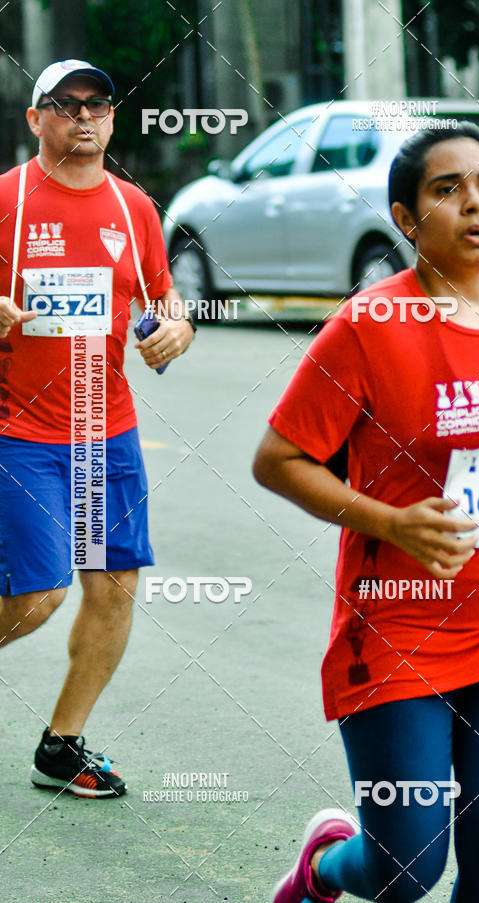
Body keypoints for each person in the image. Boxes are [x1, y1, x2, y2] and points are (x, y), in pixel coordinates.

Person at [253, 121, 479, 902]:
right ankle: (322, 868)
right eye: (448, 190)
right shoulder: (370, 326)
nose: (475, 204)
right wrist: (390, 520)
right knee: (407, 866)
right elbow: (276, 459)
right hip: (398, 624)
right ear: (407, 219)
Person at [0, 60, 195, 798]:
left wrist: (176, 330)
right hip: (18, 430)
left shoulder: (133, 206)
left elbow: (164, 301)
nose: (85, 116)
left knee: (113, 587)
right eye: (65, 104)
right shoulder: (7, 200)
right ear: (35, 119)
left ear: (112, 118)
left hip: (105, 430)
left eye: (99, 104)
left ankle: (62, 745)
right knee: (38, 592)